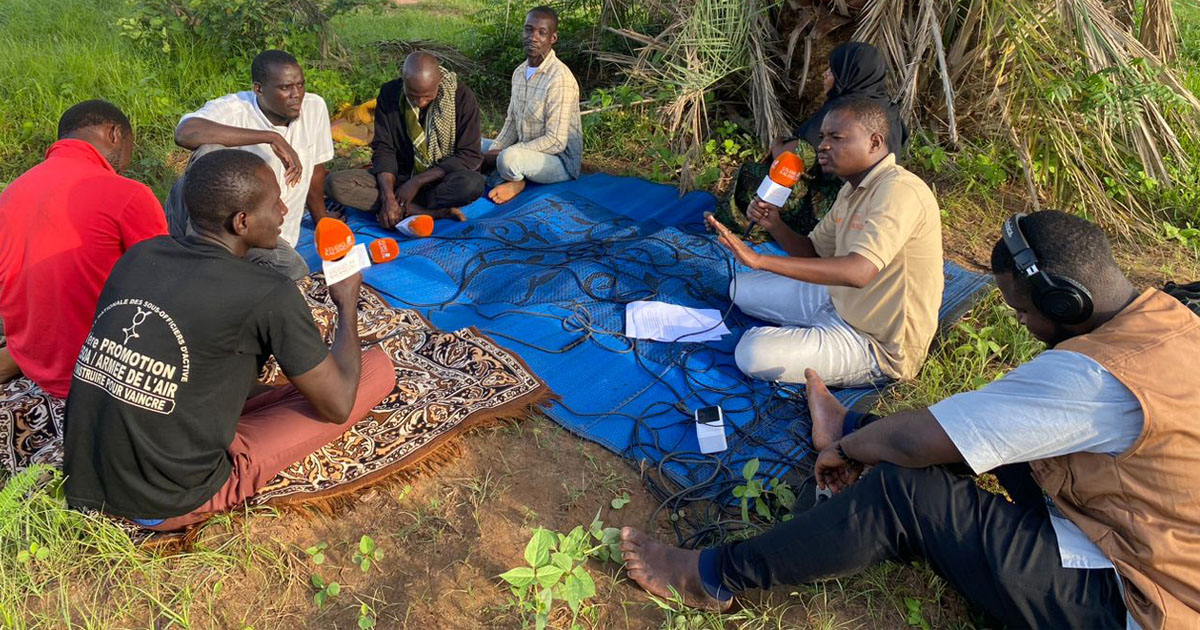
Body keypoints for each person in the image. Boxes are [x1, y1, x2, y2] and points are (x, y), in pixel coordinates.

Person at [620, 210, 1200, 629]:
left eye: (1022, 311)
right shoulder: (1167, 320)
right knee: (980, 428)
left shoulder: (1096, 378)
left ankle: (713, 577)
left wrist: (847, 457)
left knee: (904, 489)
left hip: (1137, 598)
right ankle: (848, 426)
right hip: (1138, 528)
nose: (1021, 323)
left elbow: (924, 440)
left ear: (1061, 303)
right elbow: (975, 422)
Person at [63, 150, 394, 531]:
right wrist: (346, 301)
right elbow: (337, 406)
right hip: (163, 499)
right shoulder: (268, 293)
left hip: (89, 473)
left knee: (272, 381)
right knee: (372, 372)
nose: (285, 211)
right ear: (242, 221)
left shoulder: (140, 255)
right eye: (274, 203)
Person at [709, 97, 942, 387]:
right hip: (835, 299)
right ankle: (813, 334)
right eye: (822, 137)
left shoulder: (900, 191)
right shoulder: (851, 189)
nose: (823, 146)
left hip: (875, 344)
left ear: (874, 142)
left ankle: (816, 339)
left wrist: (760, 260)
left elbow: (858, 273)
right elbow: (813, 253)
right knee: (739, 288)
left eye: (836, 137)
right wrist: (775, 224)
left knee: (751, 353)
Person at [0, 100, 167, 397]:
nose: (127, 160)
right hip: (94, 370)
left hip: (30, 355)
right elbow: (165, 287)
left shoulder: (13, 190)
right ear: (115, 134)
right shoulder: (128, 194)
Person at [165, 50, 335, 280]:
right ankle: (199, 256)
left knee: (294, 270)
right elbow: (186, 133)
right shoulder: (235, 109)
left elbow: (315, 170)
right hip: (220, 229)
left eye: (300, 85)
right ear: (258, 89)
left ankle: (222, 271)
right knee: (209, 151)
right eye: (285, 88)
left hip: (266, 233)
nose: (297, 94)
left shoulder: (315, 108)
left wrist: (321, 218)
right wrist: (269, 137)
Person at [713, 41, 907, 239]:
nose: (825, 75)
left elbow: (796, 156)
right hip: (879, 195)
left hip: (835, 205)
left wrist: (776, 145)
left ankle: (740, 225)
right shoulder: (890, 111)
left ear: (847, 75)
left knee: (753, 174)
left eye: (832, 71)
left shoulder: (844, 111)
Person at [325, 51, 485, 227]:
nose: (420, 102)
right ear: (404, 82)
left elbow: (468, 155)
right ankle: (421, 211)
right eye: (413, 95)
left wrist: (416, 182)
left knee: (472, 184)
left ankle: (401, 208)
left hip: (439, 179)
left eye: (427, 96)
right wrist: (388, 197)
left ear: (438, 82)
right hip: (399, 177)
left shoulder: (461, 98)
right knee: (335, 184)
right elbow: (384, 149)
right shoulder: (390, 94)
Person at [482, 5, 583, 204]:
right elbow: (512, 121)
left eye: (542, 32)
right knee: (476, 145)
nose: (533, 37)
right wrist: (496, 147)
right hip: (525, 150)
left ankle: (517, 183)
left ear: (552, 39)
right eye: (529, 29)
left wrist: (505, 153)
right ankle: (512, 175)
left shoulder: (559, 78)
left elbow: (556, 141)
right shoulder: (519, 73)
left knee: (507, 160)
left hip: (558, 161)